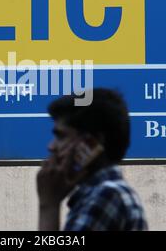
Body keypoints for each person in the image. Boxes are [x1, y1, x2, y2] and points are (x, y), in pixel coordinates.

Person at [36, 88, 148, 231]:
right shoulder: (101, 194)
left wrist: (48, 205)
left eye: (61, 136)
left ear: (91, 143)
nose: (51, 147)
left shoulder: (106, 196)